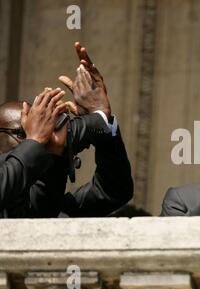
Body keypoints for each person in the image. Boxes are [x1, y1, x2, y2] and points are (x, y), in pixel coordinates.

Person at [0, 42, 133, 218]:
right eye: (24, 131)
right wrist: (35, 140)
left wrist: (102, 120)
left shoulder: (55, 207)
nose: (42, 134)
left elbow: (113, 191)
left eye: (43, 126)